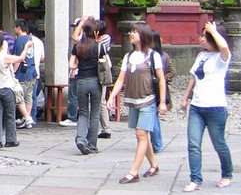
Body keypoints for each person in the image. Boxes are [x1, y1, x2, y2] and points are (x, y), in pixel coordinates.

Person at [106, 23, 167, 184]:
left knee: (141, 135)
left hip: (148, 100)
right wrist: (112, 96)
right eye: (131, 31)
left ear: (143, 35)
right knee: (142, 135)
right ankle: (154, 165)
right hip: (133, 100)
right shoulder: (128, 56)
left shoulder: (153, 56)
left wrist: (162, 101)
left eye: (134, 32)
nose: (131, 34)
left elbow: (161, 79)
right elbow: (121, 79)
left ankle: (133, 172)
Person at [181, 22, 233, 192]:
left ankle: (227, 173)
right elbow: (193, 77)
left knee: (219, 143)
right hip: (197, 106)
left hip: (215, 107)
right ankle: (195, 179)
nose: (201, 39)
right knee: (193, 144)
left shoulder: (222, 58)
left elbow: (224, 47)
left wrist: (213, 31)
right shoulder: (201, 55)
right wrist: (185, 98)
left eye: (205, 36)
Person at [0, 33, 27, 148]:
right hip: (7, 89)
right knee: (10, 116)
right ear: (1, 45)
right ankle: (10, 140)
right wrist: (26, 47)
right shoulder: (4, 57)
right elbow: (21, 58)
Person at [68, 21, 102, 155]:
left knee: (83, 113)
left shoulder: (78, 46)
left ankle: (81, 139)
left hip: (81, 81)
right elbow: (107, 65)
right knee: (94, 114)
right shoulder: (99, 47)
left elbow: (71, 65)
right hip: (95, 81)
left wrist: (80, 65)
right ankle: (92, 145)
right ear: (95, 32)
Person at [149, 30, 176, 154]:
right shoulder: (163, 55)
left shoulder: (161, 56)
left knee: (153, 115)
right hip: (157, 87)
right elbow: (172, 72)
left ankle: (157, 143)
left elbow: (172, 71)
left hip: (155, 88)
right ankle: (155, 142)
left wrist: (162, 79)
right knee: (153, 115)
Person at [12, 20, 38, 128]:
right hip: (32, 72)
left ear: (18, 28)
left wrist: (13, 73)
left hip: (22, 73)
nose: (14, 29)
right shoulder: (30, 39)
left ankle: (27, 118)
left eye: (14, 27)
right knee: (28, 97)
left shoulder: (19, 40)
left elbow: (18, 59)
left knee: (19, 97)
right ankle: (27, 118)